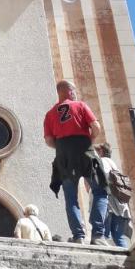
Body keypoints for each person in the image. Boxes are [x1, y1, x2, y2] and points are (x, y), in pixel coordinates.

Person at [43, 79, 109, 245]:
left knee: (71, 198)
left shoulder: (50, 114)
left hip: (63, 154)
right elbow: (96, 127)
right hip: (84, 149)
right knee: (100, 190)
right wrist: (89, 139)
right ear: (71, 92)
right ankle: (98, 235)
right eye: (74, 91)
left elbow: (49, 141)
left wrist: (62, 148)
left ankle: (78, 236)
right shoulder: (80, 105)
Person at [97, 142, 131, 248]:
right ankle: (127, 256)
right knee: (118, 236)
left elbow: (104, 179)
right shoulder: (113, 164)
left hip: (109, 205)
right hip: (121, 206)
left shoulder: (102, 161)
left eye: (96, 151)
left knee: (104, 235)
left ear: (101, 151)